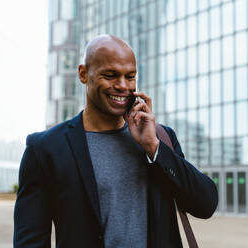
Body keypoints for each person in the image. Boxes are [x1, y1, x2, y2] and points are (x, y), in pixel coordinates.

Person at [13, 34, 218, 248]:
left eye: (130, 77)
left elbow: (206, 204)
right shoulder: (45, 148)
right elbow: (30, 240)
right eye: (110, 75)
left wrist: (153, 147)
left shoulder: (160, 138)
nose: (122, 86)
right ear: (83, 74)